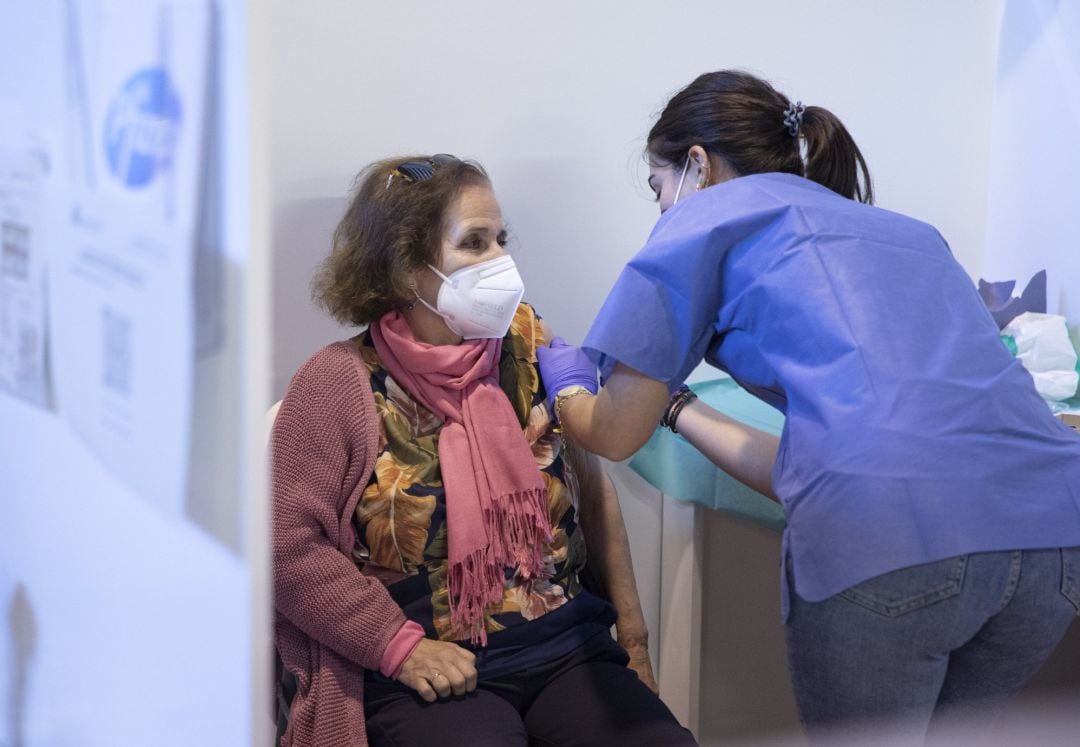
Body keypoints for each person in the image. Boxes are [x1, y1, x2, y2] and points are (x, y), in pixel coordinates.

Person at [538, 70, 1080, 740]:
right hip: (1052, 540)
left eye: (658, 188)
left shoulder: (700, 221)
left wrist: (564, 381)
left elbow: (614, 434)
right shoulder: (907, 233)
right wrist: (678, 410)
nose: (660, 211)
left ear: (696, 165)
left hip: (894, 541)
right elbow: (818, 466)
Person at [271, 154, 697, 747]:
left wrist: (634, 638)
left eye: (500, 238)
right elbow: (284, 547)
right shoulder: (335, 384)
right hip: (427, 668)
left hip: (567, 650)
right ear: (403, 267)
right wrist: (398, 646)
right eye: (474, 243)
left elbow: (593, 492)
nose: (501, 261)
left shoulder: (528, 342)